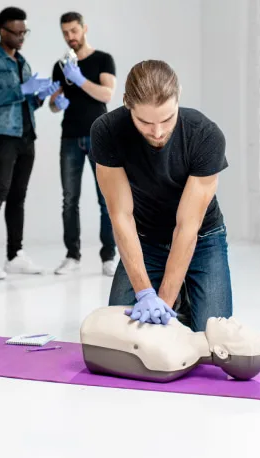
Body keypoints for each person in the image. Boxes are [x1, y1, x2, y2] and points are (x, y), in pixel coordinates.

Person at [89, 60, 232, 333]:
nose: (157, 132)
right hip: (145, 238)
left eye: (167, 119)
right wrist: (145, 293)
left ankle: (184, 300)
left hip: (203, 238)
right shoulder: (107, 131)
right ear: (127, 104)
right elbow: (121, 215)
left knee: (211, 337)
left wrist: (163, 305)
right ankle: (176, 295)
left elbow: (187, 227)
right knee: (119, 331)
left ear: (178, 99)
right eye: (144, 121)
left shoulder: (205, 135)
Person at [0, 7, 60, 280]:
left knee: (17, 196)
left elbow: (27, 104)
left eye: (25, 32)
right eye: (17, 32)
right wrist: (22, 89)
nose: (22, 37)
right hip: (1, 136)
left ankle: (15, 255)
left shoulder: (23, 63)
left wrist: (39, 97)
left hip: (26, 135)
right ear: (2, 31)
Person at [49, 11, 118, 277]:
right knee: (69, 199)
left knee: (106, 198)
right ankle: (72, 256)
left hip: (100, 137)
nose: (70, 38)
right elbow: (55, 105)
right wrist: (57, 103)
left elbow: (107, 93)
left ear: (84, 29)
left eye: (74, 31)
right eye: (65, 33)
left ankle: (108, 257)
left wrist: (80, 80)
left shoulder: (103, 59)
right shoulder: (61, 66)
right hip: (70, 137)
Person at [79, 306, 260, 383]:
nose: (232, 320)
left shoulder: (173, 357)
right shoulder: (182, 334)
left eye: (236, 330)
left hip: (94, 328)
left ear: (221, 352)